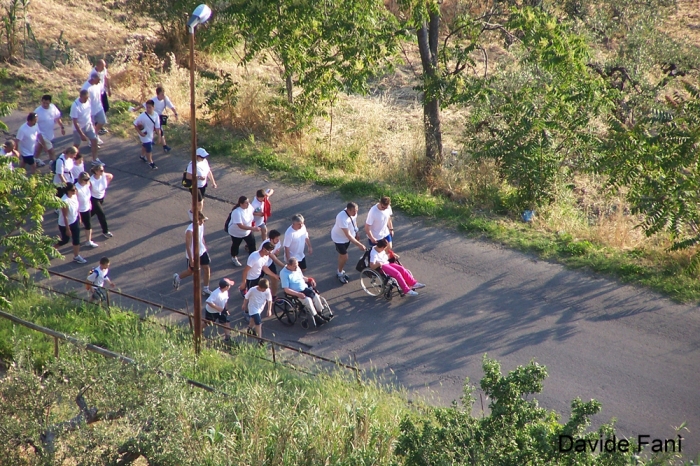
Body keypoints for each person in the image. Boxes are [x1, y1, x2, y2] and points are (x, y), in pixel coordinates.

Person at [279, 258, 330, 326]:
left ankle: (320, 312)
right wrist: (298, 294)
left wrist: (310, 280)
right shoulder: (284, 273)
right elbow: (286, 289)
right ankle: (316, 317)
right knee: (308, 300)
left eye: (297, 265)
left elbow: (302, 277)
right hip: (296, 292)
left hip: (304, 288)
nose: (297, 267)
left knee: (316, 296)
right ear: (289, 265)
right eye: (295, 266)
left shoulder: (296, 268)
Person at [173, 211, 212, 295]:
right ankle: (177, 278)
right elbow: (188, 246)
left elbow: (201, 237)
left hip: (202, 251)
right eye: (201, 220)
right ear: (197, 220)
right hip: (193, 254)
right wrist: (191, 259)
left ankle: (206, 288)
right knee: (191, 272)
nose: (203, 222)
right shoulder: (189, 231)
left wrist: (205, 248)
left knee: (206, 268)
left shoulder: (201, 225)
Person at [331, 202, 366, 284]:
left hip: (346, 239)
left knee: (342, 255)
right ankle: (339, 273)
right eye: (354, 211)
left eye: (356, 211)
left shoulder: (353, 213)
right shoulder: (341, 218)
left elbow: (354, 221)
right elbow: (348, 235)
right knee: (345, 256)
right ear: (348, 210)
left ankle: (340, 269)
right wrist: (359, 244)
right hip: (339, 239)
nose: (355, 213)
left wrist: (356, 231)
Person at [54, 182, 87, 264]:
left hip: (74, 221)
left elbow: (77, 207)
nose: (75, 191)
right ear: (67, 191)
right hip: (65, 224)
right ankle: (53, 248)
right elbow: (65, 216)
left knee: (76, 239)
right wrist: (67, 229)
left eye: (75, 189)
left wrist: (79, 217)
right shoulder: (64, 201)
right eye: (73, 190)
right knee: (65, 240)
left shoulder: (74, 196)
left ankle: (76, 256)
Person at [227, 196, 260, 267]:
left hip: (247, 231)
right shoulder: (237, 212)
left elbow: (252, 213)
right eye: (246, 203)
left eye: (248, 202)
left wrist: (259, 214)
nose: (248, 204)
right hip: (236, 233)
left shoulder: (249, 207)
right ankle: (234, 257)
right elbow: (240, 226)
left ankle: (253, 259)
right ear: (241, 204)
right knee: (236, 245)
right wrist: (253, 228)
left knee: (252, 244)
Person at [71, 89, 100, 165]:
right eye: (85, 98)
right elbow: (75, 122)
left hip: (88, 125)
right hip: (78, 129)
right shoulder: (75, 106)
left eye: (87, 97)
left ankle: (95, 159)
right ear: (80, 96)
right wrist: (81, 134)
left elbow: (89, 114)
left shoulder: (88, 101)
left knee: (94, 140)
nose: (87, 99)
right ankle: (70, 158)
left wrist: (92, 124)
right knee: (76, 145)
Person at [186, 147, 217, 219]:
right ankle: (197, 216)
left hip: (203, 184)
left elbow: (209, 172)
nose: (204, 158)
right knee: (199, 202)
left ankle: (193, 212)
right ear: (197, 156)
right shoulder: (192, 164)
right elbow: (188, 176)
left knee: (201, 201)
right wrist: (199, 177)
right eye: (202, 157)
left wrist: (213, 182)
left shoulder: (205, 161)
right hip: (195, 186)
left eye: (205, 156)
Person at [145, 86, 178, 152]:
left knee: (156, 130)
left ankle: (149, 140)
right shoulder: (153, 100)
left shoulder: (165, 99)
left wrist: (176, 114)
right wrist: (135, 109)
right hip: (153, 116)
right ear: (158, 95)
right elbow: (144, 105)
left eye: (164, 94)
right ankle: (164, 146)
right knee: (160, 131)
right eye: (162, 94)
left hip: (159, 116)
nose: (163, 95)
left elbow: (171, 106)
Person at [33, 94, 65, 163]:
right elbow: (33, 124)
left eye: (46, 103)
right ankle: (54, 166)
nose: (44, 104)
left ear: (50, 102)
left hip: (49, 134)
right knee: (51, 151)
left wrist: (62, 127)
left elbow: (57, 118)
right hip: (42, 134)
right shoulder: (37, 111)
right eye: (43, 102)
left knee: (39, 147)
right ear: (41, 101)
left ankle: (35, 159)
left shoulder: (53, 108)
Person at [133, 99, 161, 169]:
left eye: (149, 107)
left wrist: (159, 136)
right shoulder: (142, 116)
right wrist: (140, 133)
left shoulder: (156, 115)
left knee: (145, 145)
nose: (148, 109)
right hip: (143, 134)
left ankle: (142, 156)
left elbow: (157, 127)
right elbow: (135, 124)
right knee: (149, 147)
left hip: (150, 134)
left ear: (153, 107)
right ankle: (151, 162)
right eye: (147, 107)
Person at [81, 71, 106, 145]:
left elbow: (101, 92)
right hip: (90, 110)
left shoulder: (98, 84)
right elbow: (83, 100)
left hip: (99, 107)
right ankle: (92, 141)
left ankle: (95, 134)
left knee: (102, 121)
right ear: (93, 79)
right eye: (98, 80)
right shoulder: (86, 88)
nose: (99, 81)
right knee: (91, 126)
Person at [89, 163, 113, 238]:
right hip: (94, 199)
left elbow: (111, 176)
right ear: (96, 171)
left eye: (103, 170)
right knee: (101, 214)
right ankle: (105, 231)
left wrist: (106, 185)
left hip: (101, 197)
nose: (103, 172)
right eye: (101, 170)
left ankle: (83, 219)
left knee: (92, 212)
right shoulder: (91, 180)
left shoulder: (103, 175)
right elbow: (88, 191)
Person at [75, 171, 98, 248]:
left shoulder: (87, 185)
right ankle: (75, 242)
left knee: (88, 225)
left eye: (88, 179)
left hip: (86, 208)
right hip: (79, 210)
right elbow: (75, 202)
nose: (87, 181)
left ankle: (88, 241)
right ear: (81, 179)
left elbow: (88, 197)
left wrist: (90, 204)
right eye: (85, 179)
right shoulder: (76, 188)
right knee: (76, 228)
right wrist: (78, 213)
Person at [258, 229, 285, 296]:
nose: (278, 240)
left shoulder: (278, 243)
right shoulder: (266, 246)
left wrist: (276, 254)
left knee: (275, 280)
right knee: (257, 282)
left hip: (269, 263)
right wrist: (285, 267)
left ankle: (273, 296)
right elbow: (275, 259)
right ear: (271, 239)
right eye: (276, 239)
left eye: (278, 239)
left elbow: (275, 255)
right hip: (261, 265)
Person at [91, 59, 111, 133]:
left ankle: (99, 123)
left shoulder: (104, 70)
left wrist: (109, 89)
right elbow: (91, 84)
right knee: (98, 109)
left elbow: (106, 78)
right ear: (98, 66)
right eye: (102, 66)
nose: (104, 68)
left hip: (102, 91)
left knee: (106, 107)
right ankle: (97, 126)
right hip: (96, 93)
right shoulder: (93, 73)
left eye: (104, 66)